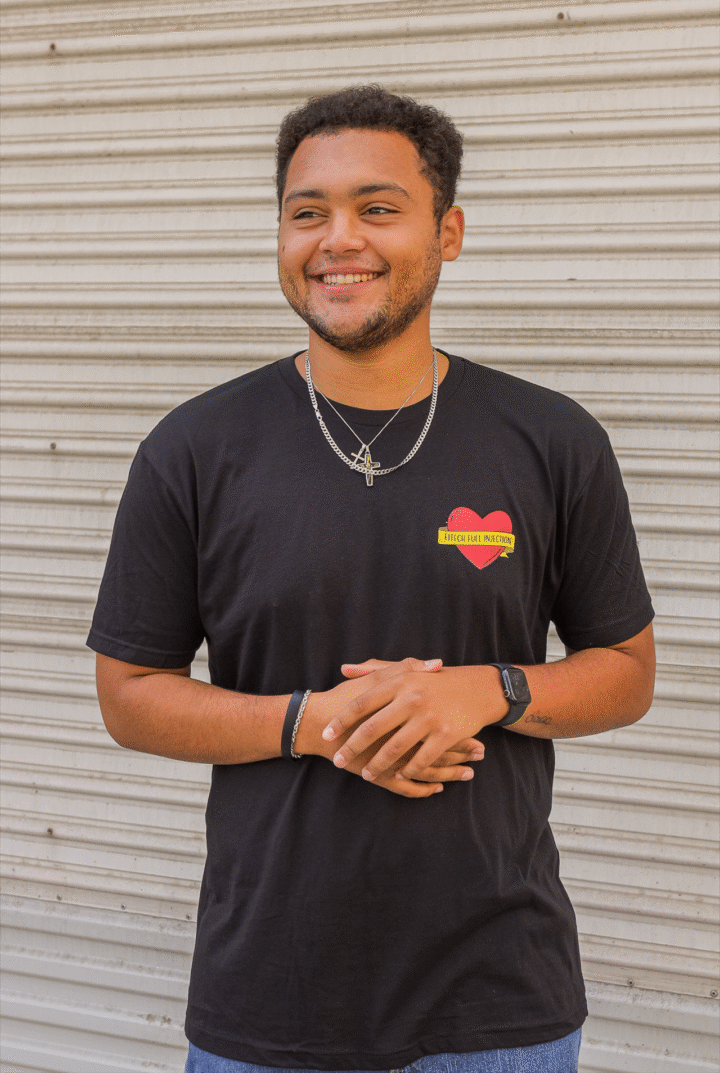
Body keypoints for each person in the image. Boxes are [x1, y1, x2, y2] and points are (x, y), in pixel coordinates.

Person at [88, 85, 656, 1073]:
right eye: (308, 212)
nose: (337, 238)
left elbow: (627, 670)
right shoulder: (193, 449)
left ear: (449, 231)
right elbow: (131, 697)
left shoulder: (553, 441)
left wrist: (488, 690)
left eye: (378, 208)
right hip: (266, 997)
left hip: (500, 1005)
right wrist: (318, 723)